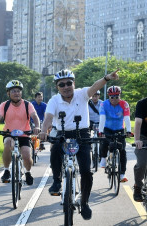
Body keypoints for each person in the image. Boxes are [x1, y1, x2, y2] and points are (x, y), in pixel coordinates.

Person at [38, 68, 119, 220]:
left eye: (69, 83)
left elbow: (95, 86)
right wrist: (43, 131)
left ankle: (85, 202)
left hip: (82, 134)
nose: (66, 87)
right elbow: (48, 117)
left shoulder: (82, 94)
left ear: (74, 83)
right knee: (54, 149)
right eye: (62, 84)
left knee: (86, 171)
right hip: (61, 133)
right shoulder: (54, 100)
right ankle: (57, 181)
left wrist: (107, 78)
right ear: (57, 87)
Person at [0, 80, 40, 186]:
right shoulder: (4, 105)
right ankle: (6, 170)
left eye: (18, 91)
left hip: (25, 134)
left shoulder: (27, 104)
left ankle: (27, 172)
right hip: (9, 134)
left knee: (27, 155)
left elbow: (34, 117)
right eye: (13, 91)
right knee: (7, 144)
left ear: (21, 93)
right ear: (8, 93)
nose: (16, 93)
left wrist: (37, 127)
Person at [98, 86, 132, 182]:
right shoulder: (103, 104)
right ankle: (103, 158)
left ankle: (122, 174)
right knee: (104, 141)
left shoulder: (124, 104)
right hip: (107, 128)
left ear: (119, 96)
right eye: (112, 97)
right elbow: (102, 118)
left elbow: (127, 118)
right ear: (109, 97)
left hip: (119, 129)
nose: (114, 99)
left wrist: (128, 131)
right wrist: (100, 131)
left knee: (122, 151)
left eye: (117, 97)